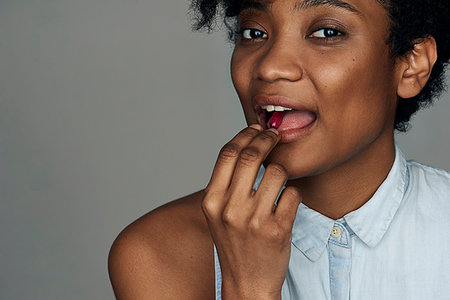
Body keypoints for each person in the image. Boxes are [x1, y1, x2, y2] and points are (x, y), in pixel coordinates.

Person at [108, 0, 450, 298]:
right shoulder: (157, 253)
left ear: (412, 63)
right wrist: (249, 289)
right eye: (254, 33)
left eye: (327, 32)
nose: (269, 67)